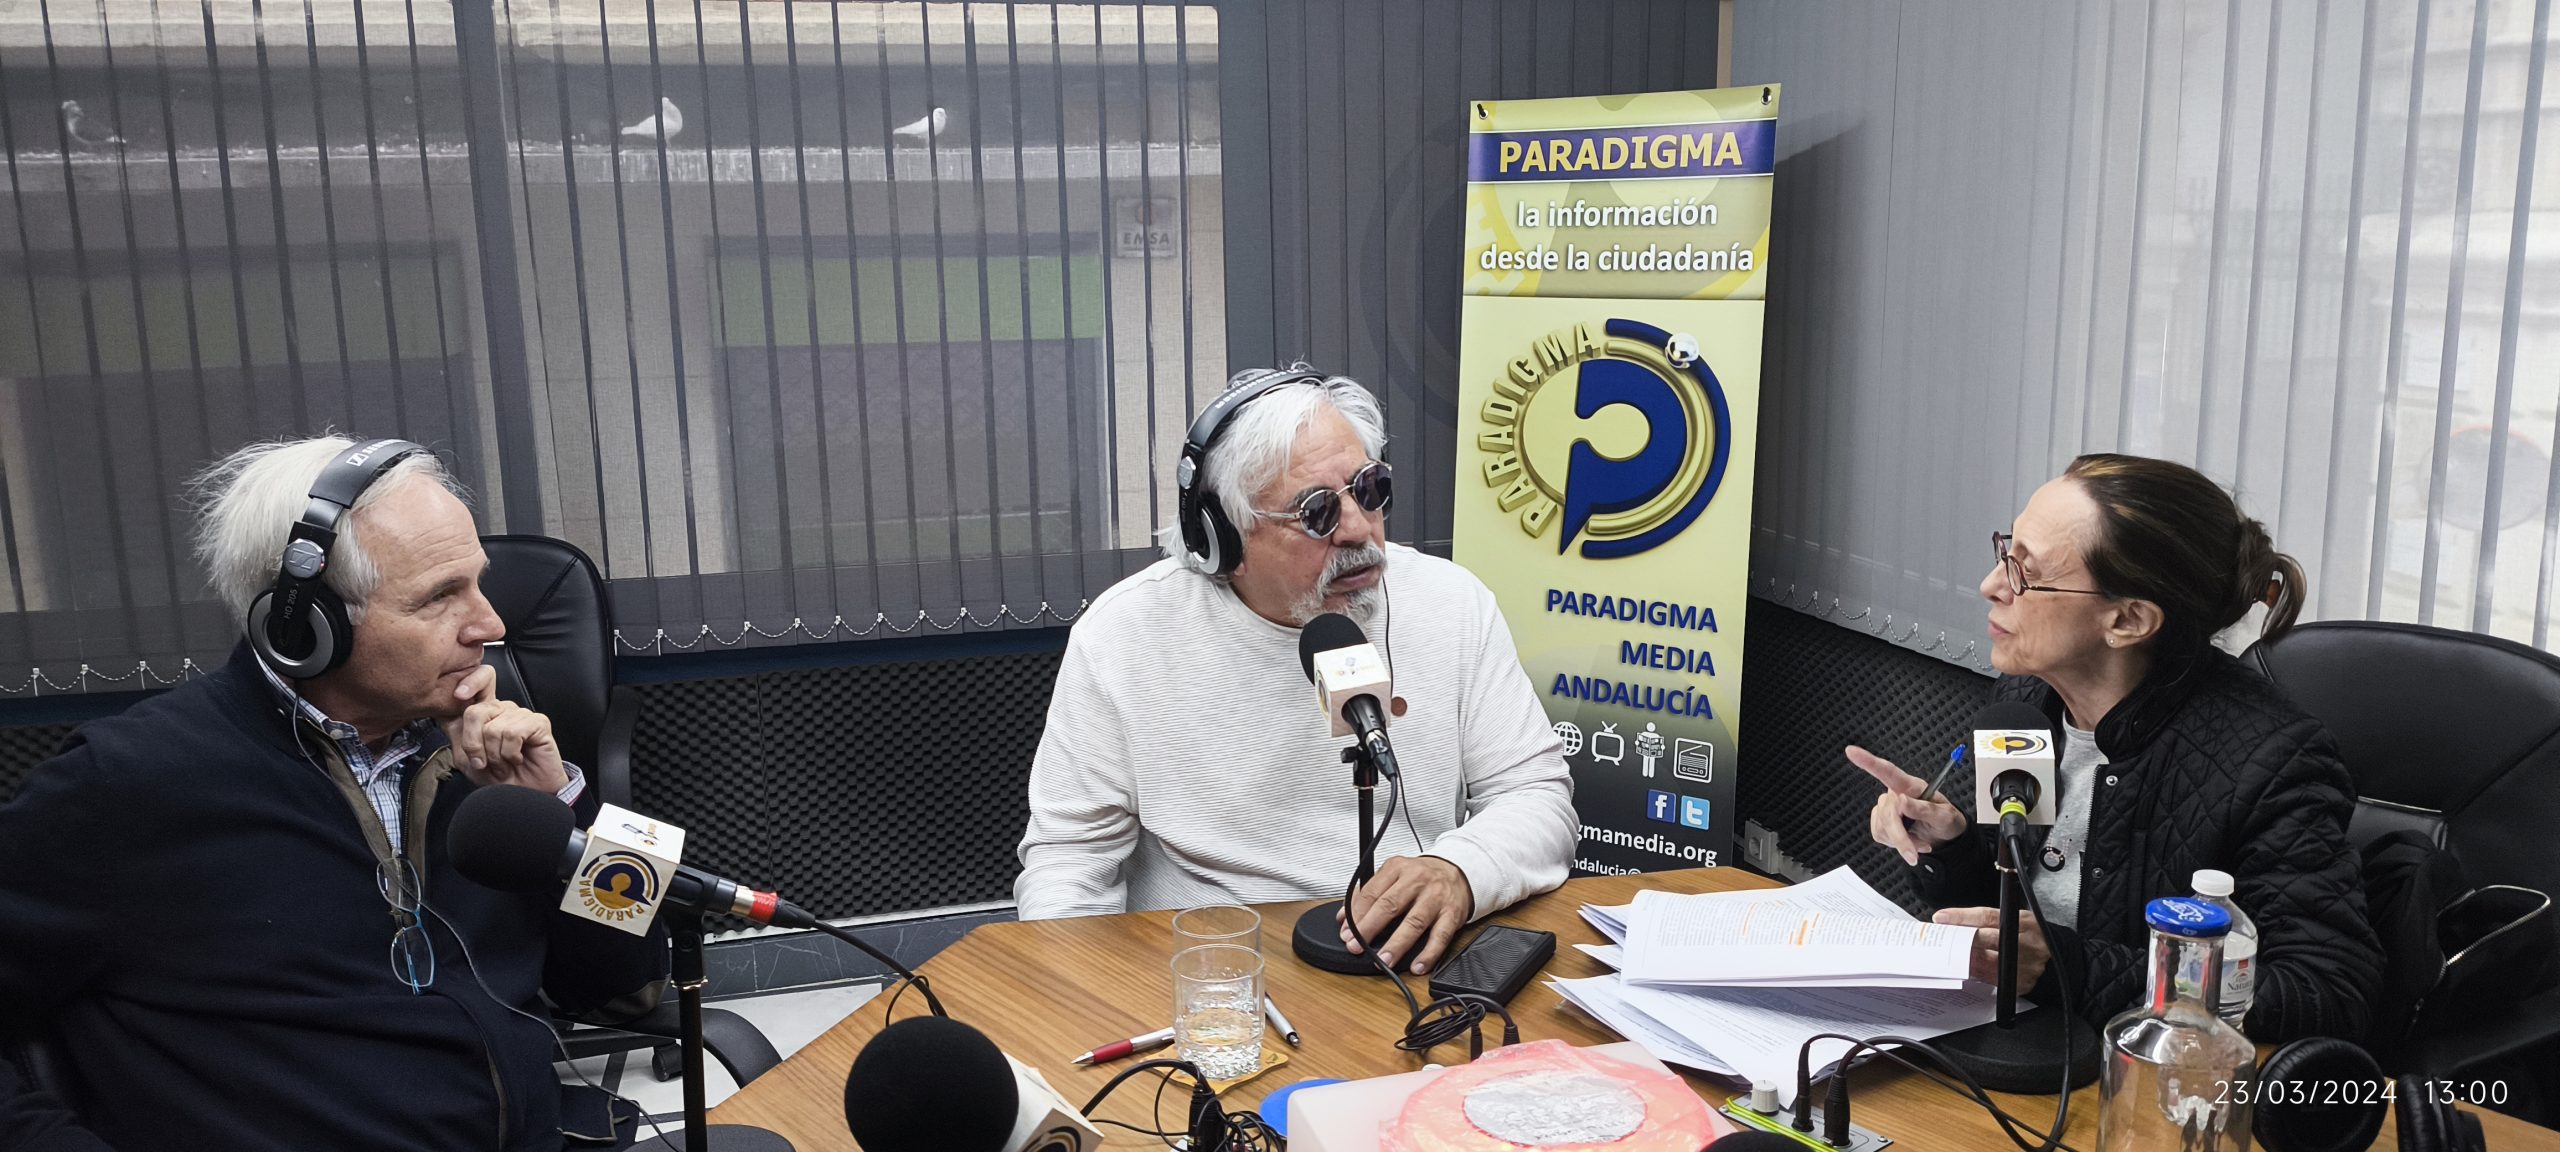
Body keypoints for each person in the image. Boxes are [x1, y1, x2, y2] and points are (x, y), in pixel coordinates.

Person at [0, 437, 665, 1151]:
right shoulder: (127, 782)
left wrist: (568, 809)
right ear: (304, 626)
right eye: (440, 597)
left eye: (478, 583)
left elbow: (632, 989)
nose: (491, 625)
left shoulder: (481, 764)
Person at [1014, 366, 1578, 976]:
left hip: (1408, 963)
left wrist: (1460, 871)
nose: (1359, 528)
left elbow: (1536, 796)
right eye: (1317, 512)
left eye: (1370, 489)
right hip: (1216, 974)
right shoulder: (1126, 634)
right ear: (1223, 540)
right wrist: (1078, 999)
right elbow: (1071, 863)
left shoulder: (1452, 603)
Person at [1850, 453, 2383, 1042]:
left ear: (2127, 620)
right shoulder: (2027, 699)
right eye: (2006, 552)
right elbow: (2015, 919)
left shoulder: (2271, 760)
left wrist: (2071, 970)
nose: (1991, 585)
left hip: (2148, 1074)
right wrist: (1951, 849)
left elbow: (2327, 992)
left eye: (2025, 572)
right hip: (2022, 1041)